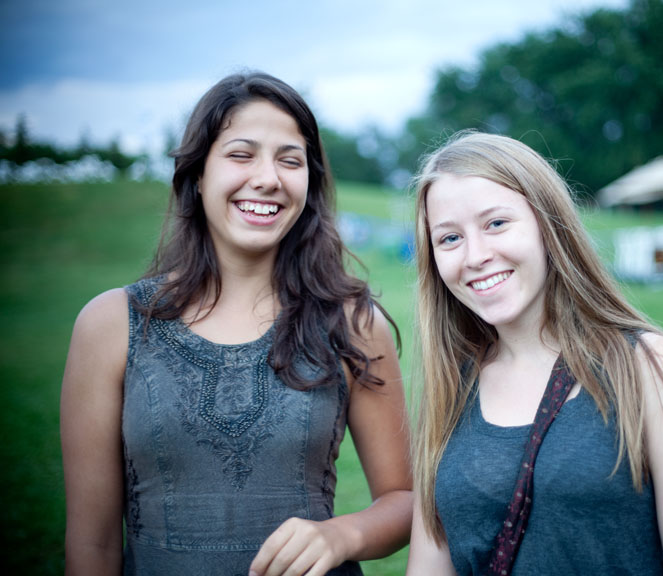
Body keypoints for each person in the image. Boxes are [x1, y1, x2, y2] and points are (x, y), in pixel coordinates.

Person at [60, 72, 412, 576]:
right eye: (241, 154)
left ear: (308, 183)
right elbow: (92, 548)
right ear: (198, 173)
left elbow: (404, 499)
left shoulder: (353, 323)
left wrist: (341, 535)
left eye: (290, 160)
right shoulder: (112, 324)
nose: (268, 178)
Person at [406, 131, 663, 575]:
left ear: (548, 223)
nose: (475, 255)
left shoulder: (656, 368)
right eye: (449, 239)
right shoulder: (450, 392)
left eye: (496, 223)